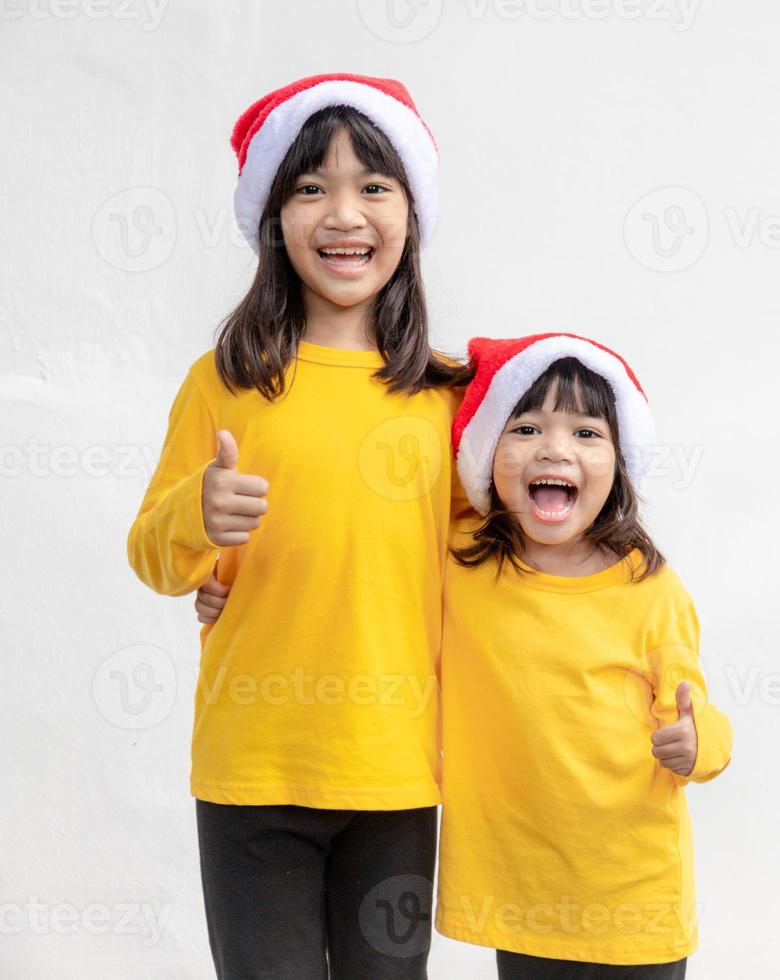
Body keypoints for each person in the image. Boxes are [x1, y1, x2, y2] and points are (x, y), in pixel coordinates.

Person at [128, 73, 460, 978]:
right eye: (311, 187)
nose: (343, 214)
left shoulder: (448, 397)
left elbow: (494, 567)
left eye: (373, 186)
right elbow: (152, 553)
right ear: (275, 218)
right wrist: (196, 512)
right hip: (253, 769)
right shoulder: (223, 381)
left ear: (411, 213)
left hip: (396, 773)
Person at [436, 333, 734, 977]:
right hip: (525, 897)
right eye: (525, 427)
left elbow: (700, 717)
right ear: (487, 454)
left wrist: (695, 742)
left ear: (620, 462)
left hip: (634, 899)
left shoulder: (650, 590)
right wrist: (224, 585)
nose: (554, 448)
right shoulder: (461, 565)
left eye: (586, 434)